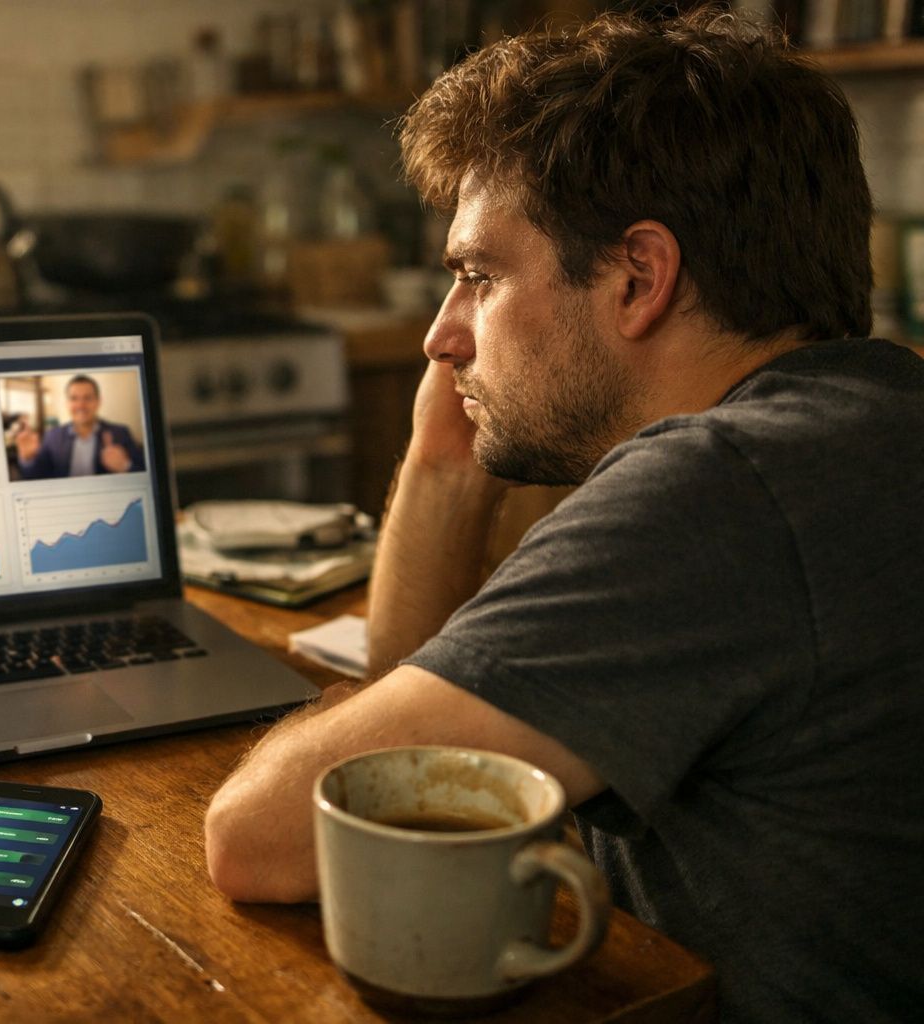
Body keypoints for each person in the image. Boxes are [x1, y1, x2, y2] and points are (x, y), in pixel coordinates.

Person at [203, 9, 923, 1022]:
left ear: (638, 277)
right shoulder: (871, 419)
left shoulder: (722, 488)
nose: (440, 334)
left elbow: (265, 836)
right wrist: (444, 464)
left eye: (477, 275)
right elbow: (411, 781)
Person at [16, 374, 146, 479]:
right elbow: (36, 478)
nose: (80, 405)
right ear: (67, 403)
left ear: (98, 401)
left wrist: (126, 467)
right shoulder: (52, 436)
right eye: (74, 398)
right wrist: (27, 459)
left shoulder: (121, 433)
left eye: (87, 398)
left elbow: (146, 476)